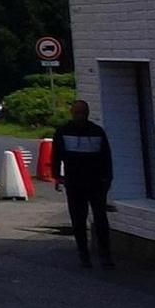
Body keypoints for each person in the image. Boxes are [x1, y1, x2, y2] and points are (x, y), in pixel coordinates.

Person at [51, 106, 115, 269]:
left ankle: (100, 254)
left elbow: (106, 157)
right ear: (72, 113)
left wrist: (107, 179)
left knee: (97, 219)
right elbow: (56, 155)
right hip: (77, 181)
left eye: (82, 113)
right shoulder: (65, 131)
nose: (80, 116)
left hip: (92, 181)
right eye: (77, 113)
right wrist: (57, 175)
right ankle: (86, 254)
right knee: (81, 219)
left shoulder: (94, 131)